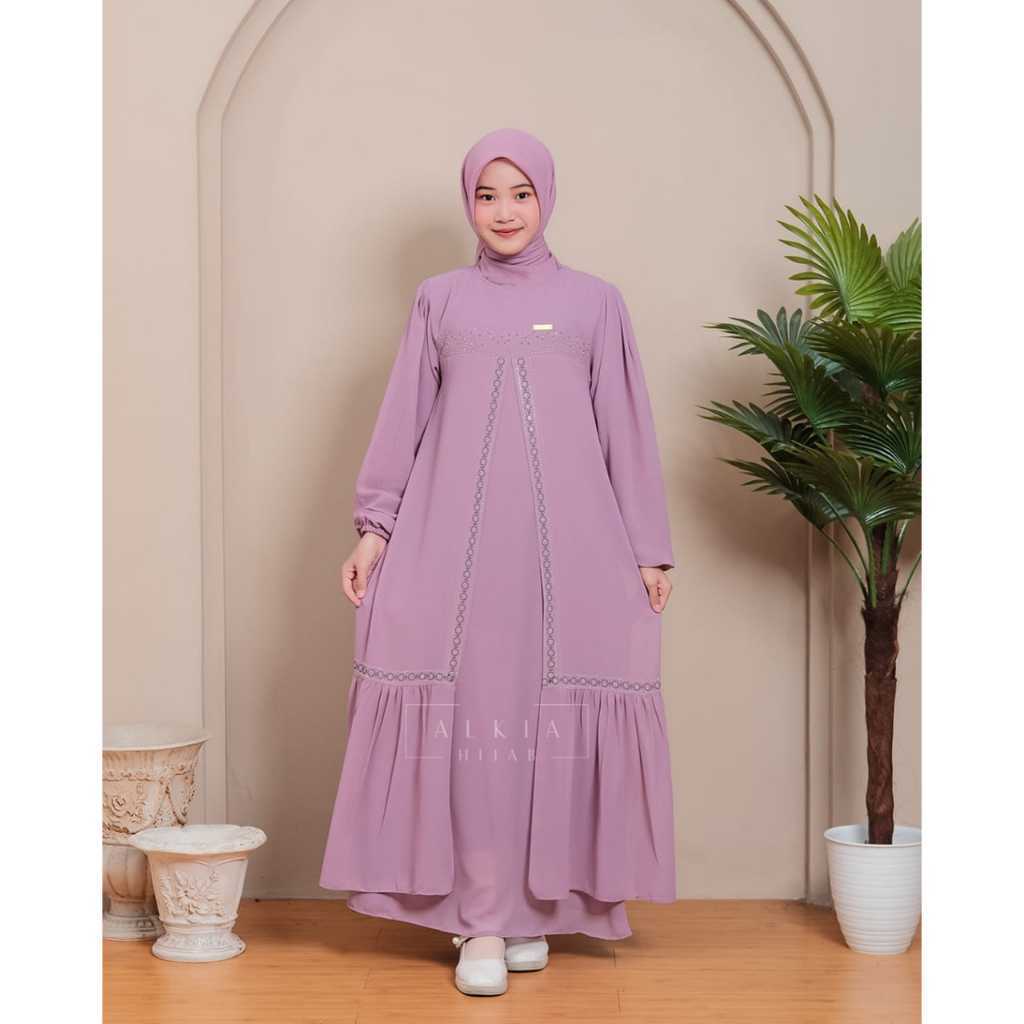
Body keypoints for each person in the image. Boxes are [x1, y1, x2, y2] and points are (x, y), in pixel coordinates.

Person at [319, 128, 677, 997]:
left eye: (520, 193)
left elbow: (626, 430)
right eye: (487, 195)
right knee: (475, 732)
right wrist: (374, 530)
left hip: (572, 560)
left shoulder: (595, 304)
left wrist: (649, 549)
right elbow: (403, 419)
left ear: (546, 196)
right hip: (454, 556)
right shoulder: (439, 301)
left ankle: (531, 911)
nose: (505, 211)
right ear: (468, 203)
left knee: (540, 733)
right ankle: (480, 920)